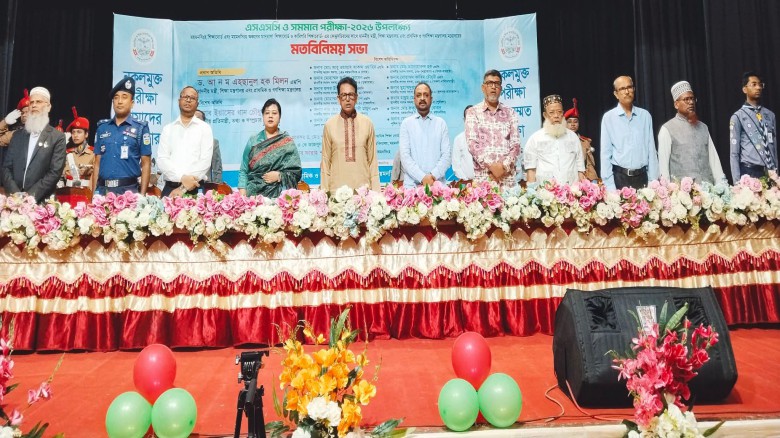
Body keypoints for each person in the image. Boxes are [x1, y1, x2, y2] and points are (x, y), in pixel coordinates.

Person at [1, 86, 66, 203]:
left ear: (48, 106)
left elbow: (54, 172)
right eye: (31, 102)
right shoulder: (17, 136)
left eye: (39, 102)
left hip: (41, 202)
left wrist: (29, 197)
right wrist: (16, 195)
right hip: (15, 202)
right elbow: (6, 168)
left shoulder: (57, 137)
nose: (34, 105)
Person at [91, 77, 152, 195]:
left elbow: (146, 164)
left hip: (128, 192)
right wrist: (94, 195)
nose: (119, 101)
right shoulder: (102, 127)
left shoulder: (140, 128)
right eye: (116, 97)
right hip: (104, 191)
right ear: (113, 102)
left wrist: (142, 196)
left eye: (124, 97)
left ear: (132, 103)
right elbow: (97, 163)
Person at [658, 81, 726, 185]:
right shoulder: (667, 129)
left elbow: (714, 161)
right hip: (682, 196)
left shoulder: (703, 127)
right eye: (686, 99)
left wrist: (722, 185)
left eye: (692, 98)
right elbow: (663, 168)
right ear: (676, 104)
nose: (691, 102)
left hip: (709, 192)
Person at [464, 69, 521, 190]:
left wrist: (503, 167)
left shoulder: (511, 113)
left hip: (507, 180)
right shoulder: (473, 112)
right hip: (484, 180)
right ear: (483, 87)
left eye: (497, 83)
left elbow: (516, 145)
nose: (493, 87)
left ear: (501, 88)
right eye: (490, 83)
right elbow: (472, 144)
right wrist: (491, 166)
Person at [320, 76, 379, 192]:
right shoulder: (329, 125)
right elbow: (325, 162)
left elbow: (372, 161)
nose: (347, 99)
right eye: (343, 95)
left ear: (356, 98)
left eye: (351, 95)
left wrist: (376, 194)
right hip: (336, 194)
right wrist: (325, 193)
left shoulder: (367, 123)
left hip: (363, 193)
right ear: (338, 98)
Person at [600, 75, 658, 190]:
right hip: (619, 179)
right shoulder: (609, 118)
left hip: (642, 178)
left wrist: (653, 182)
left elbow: (651, 150)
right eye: (622, 89)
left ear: (634, 89)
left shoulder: (645, 116)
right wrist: (610, 187)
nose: (626, 92)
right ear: (616, 94)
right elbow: (605, 154)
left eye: (629, 87)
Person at [238, 98, 302, 198]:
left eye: (274, 113)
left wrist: (279, 176)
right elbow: (244, 170)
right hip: (254, 197)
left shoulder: (287, 142)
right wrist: (243, 195)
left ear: (280, 117)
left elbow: (296, 172)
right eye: (267, 113)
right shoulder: (253, 140)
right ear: (263, 116)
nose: (270, 116)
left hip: (280, 197)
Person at [156, 86, 213, 197]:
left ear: (197, 104)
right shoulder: (168, 129)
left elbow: (205, 162)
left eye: (192, 98)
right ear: (179, 101)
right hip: (170, 189)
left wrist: (183, 188)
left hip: (195, 189)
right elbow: (162, 159)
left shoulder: (205, 128)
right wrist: (181, 177)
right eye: (185, 97)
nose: (188, 100)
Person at [523, 94, 585, 185]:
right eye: (552, 112)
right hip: (545, 193)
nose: (556, 116)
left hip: (571, 191)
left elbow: (580, 169)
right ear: (545, 115)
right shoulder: (535, 138)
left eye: (559, 112)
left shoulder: (573, 137)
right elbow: (531, 170)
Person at [398, 82, 451, 188]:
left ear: (431, 99)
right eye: (418, 95)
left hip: (437, 186)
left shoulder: (441, 123)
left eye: (426, 95)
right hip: (412, 187)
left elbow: (447, 156)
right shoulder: (406, 124)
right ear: (414, 99)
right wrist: (422, 177)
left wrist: (432, 176)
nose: (422, 98)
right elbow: (405, 157)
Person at [729, 71, 777, 181]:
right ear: (744, 89)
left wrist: (776, 172)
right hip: (750, 172)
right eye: (754, 84)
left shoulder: (770, 115)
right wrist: (737, 182)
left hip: (770, 171)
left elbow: (774, 148)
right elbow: (734, 153)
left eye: (760, 84)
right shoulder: (738, 117)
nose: (758, 88)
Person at [564, 98, 599, 181]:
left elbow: (589, 165)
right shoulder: (560, 141)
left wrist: (591, 181)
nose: (573, 124)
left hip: (582, 179)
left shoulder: (585, 142)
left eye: (575, 122)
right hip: (565, 179)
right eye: (569, 122)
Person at [62, 106, 95, 187]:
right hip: (69, 193)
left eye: (79, 132)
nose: (75, 135)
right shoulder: (67, 153)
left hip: (87, 193)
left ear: (86, 134)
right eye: (73, 132)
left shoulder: (93, 153)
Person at [0, 89, 31, 173]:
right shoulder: (16, 134)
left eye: (27, 112)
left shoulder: (45, 133)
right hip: (17, 177)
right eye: (22, 113)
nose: (24, 115)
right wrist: (5, 122)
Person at [194, 109, 223, 184]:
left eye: (197, 118)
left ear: (203, 122)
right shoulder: (182, 141)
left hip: (204, 184)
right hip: (183, 185)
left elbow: (217, 169)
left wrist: (216, 187)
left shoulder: (213, 142)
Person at [451, 105, 475, 182]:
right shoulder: (458, 139)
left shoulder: (485, 138)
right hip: (466, 185)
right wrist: (467, 181)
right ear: (464, 120)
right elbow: (456, 166)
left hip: (483, 184)